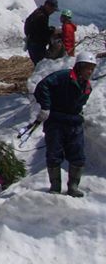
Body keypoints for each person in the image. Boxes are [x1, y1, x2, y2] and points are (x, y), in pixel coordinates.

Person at [34, 51, 99, 197]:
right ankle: (55, 186)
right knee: (54, 154)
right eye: (87, 68)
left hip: (74, 124)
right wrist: (46, 107)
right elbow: (42, 86)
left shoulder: (87, 87)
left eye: (92, 68)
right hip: (56, 122)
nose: (89, 71)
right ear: (79, 67)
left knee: (78, 155)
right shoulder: (63, 76)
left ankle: (73, 186)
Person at [23, 0, 58, 64]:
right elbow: (42, 32)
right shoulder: (42, 16)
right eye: (53, 9)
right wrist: (52, 31)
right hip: (37, 45)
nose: (53, 12)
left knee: (38, 65)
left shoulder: (38, 12)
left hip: (32, 43)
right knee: (41, 65)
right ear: (48, 6)